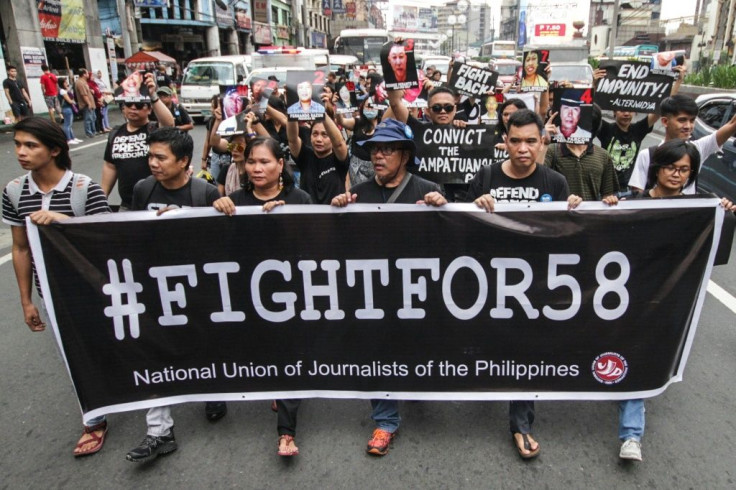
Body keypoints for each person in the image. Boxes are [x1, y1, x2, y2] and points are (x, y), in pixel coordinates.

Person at [600, 138, 735, 462]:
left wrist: (725, 215)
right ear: (658, 169)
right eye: (672, 168)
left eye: (685, 170)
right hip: (625, 297)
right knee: (621, 354)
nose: (677, 175)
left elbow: (714, 252)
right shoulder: (629, 201)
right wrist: (604, 207)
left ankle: (631, 435)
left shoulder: (701, 208)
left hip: (669, 298)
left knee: (642, 357)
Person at [466, 110, 581, 459]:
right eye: (515, 141)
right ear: (505, 142)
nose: (523, 148)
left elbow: (564, 238)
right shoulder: (484, 177)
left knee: (526, 353)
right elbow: (464, 236)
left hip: (533, 289)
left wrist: (577, 211)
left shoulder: (555, 184)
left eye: (531, 141)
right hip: (490, 285)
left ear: (542, 142)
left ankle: (521, 423)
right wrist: (473, 207)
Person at [330, 119, 446, 456]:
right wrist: (338, 214)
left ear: (405, 155)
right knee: (376, 354)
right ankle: (385, 421)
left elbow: (449, 247)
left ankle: (415, 383)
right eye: (374, 150)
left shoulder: (428, 189)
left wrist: (441, 212)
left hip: (416, 295)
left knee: (415, 351)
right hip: (374, 297)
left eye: (387, 149)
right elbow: (342, 247)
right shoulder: (359, 194)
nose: (378, 156)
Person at [2, 117, 111, 457]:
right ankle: (94, 419)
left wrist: (65, 221)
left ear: (54, 150)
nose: (21, 152)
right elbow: (21, 248)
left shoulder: (83, 189)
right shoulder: (15, 191)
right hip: (52, 293)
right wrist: (26, 300)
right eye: (18, 144)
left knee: (110, 348)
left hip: (93, 290)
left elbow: (105, 238)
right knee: (73, 355)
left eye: (30, 145)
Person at [124, 127, 219, 463]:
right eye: (150, 156)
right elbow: (131, 232)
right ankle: (159, 432)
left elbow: (221, 244)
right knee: (156, 354)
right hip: (156, 290)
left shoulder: (204, 192)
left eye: (160, 157)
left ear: (183, 161)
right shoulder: (142, 189)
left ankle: (213, 390)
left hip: (198, 290)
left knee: (204, 346)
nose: (153, 163)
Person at [593, 66, 686, 190]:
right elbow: (588, 109)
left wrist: (678, 81)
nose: (626, 114)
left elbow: (662, 107)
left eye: (630, 110)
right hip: (606, 189)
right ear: (614, 112)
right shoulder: (606, 129)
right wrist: (593, 84)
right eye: (622, 110)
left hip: (629, 190)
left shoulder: (638, 130)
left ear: (635, 112)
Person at [628, 94, 736, 194]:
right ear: (665, 122)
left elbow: (732, 125)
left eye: (692, 121)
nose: (688, 126)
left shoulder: (697, 149)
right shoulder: (647, 155)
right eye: (682, 120)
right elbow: (638, 196)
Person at [101, 73, 175, 210]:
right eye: (129, 104)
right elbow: (110, 167)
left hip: (156, 204)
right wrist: (101, 198)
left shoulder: (153, 129)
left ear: (149, 109)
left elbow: (169, 123)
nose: (133, 108)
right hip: (127, 205)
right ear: (123, 108)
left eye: (139, 105)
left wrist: (153, 95)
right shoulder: (115, 133)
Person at [545, 104, 619, 201]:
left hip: (590, 215)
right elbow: (537, 180)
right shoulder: (551, 151)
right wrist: (543, 140)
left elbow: (609, 193)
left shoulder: (603, 155)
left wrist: (610, 200)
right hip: (560, 214)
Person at [287, 111, 348, 204]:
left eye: (325, 135)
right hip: (309, 215)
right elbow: (292, 139)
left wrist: (322, 111)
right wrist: (292, 109)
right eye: (315, 134)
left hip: (334, 215)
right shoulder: (305, 156)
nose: (319, 139)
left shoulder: (339, 158)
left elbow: (339, 144)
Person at [336, 98, 381, 186]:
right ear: (362, 108)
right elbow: (341, 122)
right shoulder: (357, 122)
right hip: (357, 168)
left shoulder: (384, 124)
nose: (370, 109)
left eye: (372, 106)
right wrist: (337, 110)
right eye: (367, 106)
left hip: (377, 166)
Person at [57, 78, 81, 145]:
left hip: (68, 108)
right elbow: (69, 100)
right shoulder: (62, 91)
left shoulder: (65, 90)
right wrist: (73, 101)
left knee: (69, 124)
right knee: (67, 124)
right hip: (66, 108)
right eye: (65, 82)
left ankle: (72, 137)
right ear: (62, 83)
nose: (66, 84)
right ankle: (68, 139)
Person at [74, 69, 97, 138]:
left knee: (93, 118)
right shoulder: (80, 83)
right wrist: (89, 103)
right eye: (87, 73)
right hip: (86, 104)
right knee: (88, 119)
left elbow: (86, 91)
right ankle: (89, 133)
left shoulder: (84, 82)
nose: (88, 74)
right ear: (84, 74)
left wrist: (90, 90)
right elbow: (83, 94)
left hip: (91, 103)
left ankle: (93, 131)